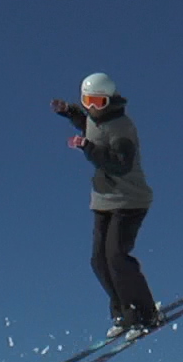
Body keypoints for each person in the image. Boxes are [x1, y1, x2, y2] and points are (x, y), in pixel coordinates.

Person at [50, 72, 159, 337]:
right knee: (99, 260)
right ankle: (122, 312)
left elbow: (118, 163)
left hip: (130, 200)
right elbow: (86, 122)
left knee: (116, 256)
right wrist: (68, 112)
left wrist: (87, 147)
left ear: (109, 101)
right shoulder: (93, 118)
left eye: (97, 103)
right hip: (103, 201)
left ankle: (144, 313)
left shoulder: (122, 127)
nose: (92, 108)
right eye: (87, 101)